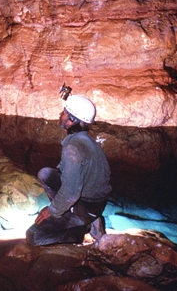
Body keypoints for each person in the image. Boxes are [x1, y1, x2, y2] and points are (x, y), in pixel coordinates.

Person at [26, 94, 111, 246]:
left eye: (64, 112)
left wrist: (51, 211)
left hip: (87, 207)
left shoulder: (73, 147)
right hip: (93, 198)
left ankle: (83, 227)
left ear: (72, 121)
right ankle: (74, 215)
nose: (60, 114)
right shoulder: (85, 139)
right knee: (46, 174)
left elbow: (71, 192)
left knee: (34, 236)